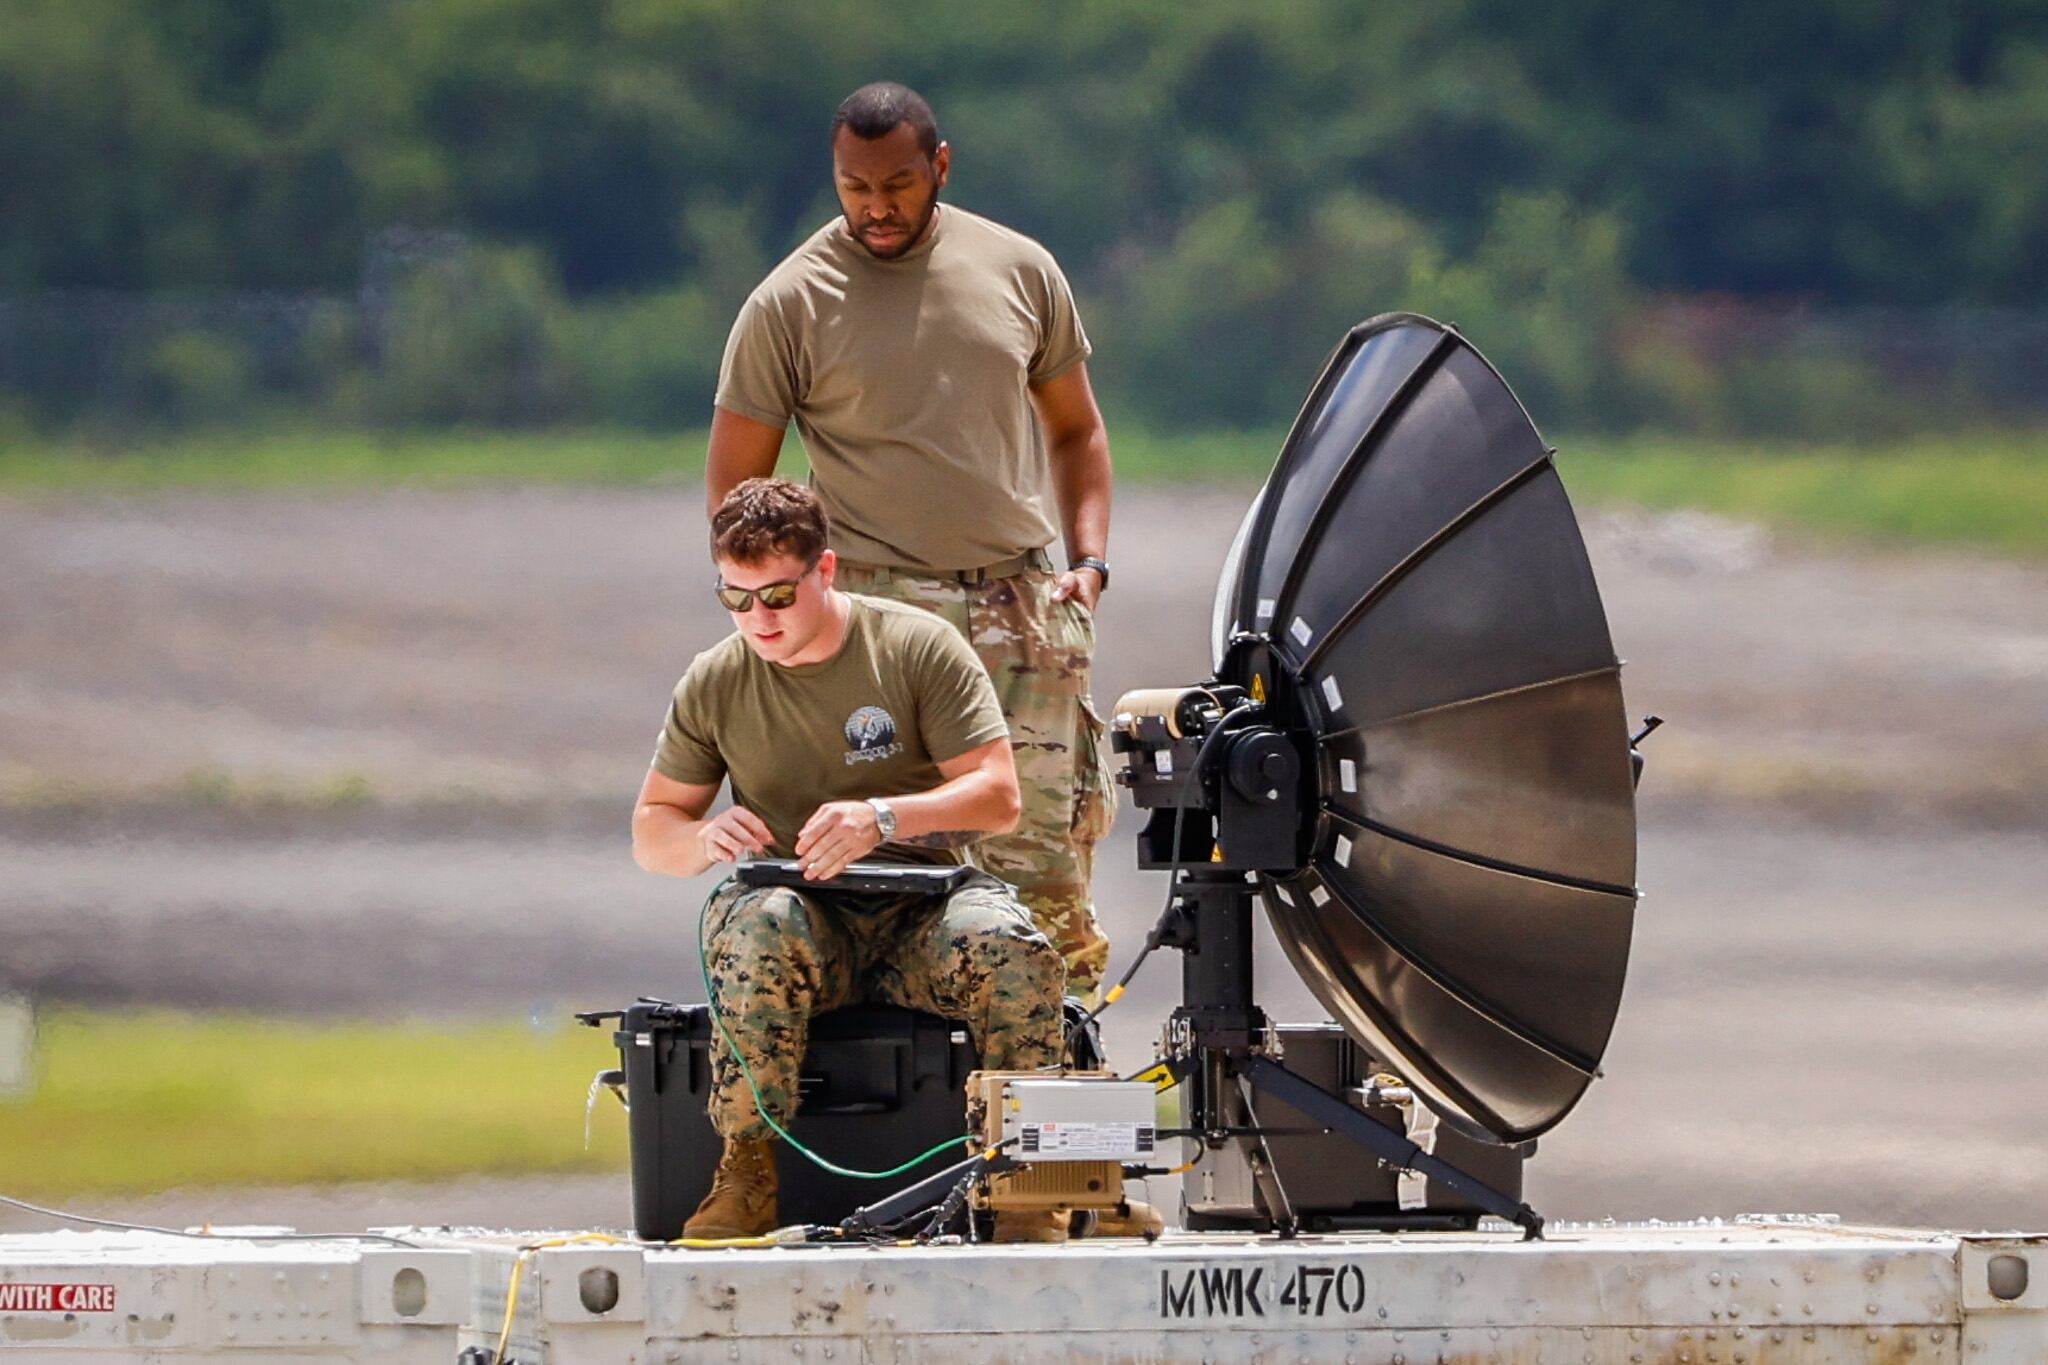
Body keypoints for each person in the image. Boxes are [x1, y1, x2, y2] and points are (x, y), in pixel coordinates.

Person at [704, 80, 1116, 996]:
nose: (876, 207)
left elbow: (1077, 429)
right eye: (855, 187)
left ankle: (1050, 1107)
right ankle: (890, 1098)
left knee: (1040, 862)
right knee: (874, 864)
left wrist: (1087, 562)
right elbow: (739, 491)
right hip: (876, 612)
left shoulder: (1019, 269)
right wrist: (776, 611)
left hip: (1020, 603)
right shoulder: (790, 302)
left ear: (939, 166)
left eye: (896, 184)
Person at [632, 478, 1068, 1242]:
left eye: (775, 595)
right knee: (759, 923)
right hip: (801, 919)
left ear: (824, 571)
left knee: (1013, 949)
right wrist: (703, 838)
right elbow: (652, 827)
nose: (757, 620)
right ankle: (745, 1172)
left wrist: (887, 816)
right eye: (735, 599)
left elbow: (998, 794)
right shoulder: (718, 679)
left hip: (922, 910)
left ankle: (1022, 1182)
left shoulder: (912, 647)